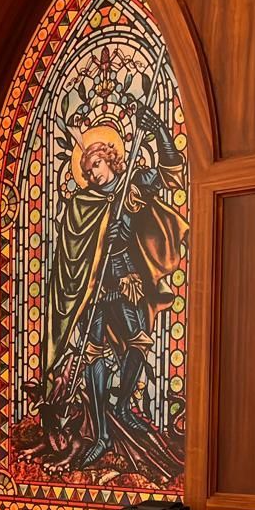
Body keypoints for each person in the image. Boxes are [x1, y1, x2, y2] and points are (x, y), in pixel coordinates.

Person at [36, 103, 188, 480]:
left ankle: (121, 408)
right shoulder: (80, 203)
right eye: (87, 170)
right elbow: (71, 254)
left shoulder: (132, 187)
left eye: (97, 165)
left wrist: (157, 130)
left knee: (139, 340)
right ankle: (101, 435)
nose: (92, 173)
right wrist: (101, 245)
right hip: (93, 286)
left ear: (111, 160)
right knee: (93, 354)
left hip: (127, 278)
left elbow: (171, 171)